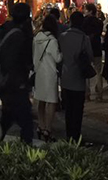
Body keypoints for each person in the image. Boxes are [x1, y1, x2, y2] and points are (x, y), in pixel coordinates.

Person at [0, 3, 34, 143]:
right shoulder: (21, 34)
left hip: (5, 82)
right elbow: (22, 60)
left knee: (6, 118)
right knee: (26, 122)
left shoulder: (5, 29)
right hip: (16, 83)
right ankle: (27, 152)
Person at [58, 11, 93, 141]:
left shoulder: (62, 37)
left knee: (68, 110)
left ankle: (69, 135)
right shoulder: (84, 38)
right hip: (78, 79)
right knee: (77, 110)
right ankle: (76, 136)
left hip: (65, 78)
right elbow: (89, 57)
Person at [33, 14, 63, 142]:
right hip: (50, 74)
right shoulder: (52, 40)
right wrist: (62, 54)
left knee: (41, 100)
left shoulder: (36, 38)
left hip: (39, 73)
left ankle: (40, 126)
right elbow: (57, 58)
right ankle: (47, 130)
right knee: (51, 102)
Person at [82, 3, 104, 101]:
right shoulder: (99, 22)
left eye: (86, 9)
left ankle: (87, 94)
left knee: (86, 71)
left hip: (86, 48)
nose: (84, 11)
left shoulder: (84, 21)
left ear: (90, 11)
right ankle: (100, 94)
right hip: (96, 47)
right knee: (98, 71)